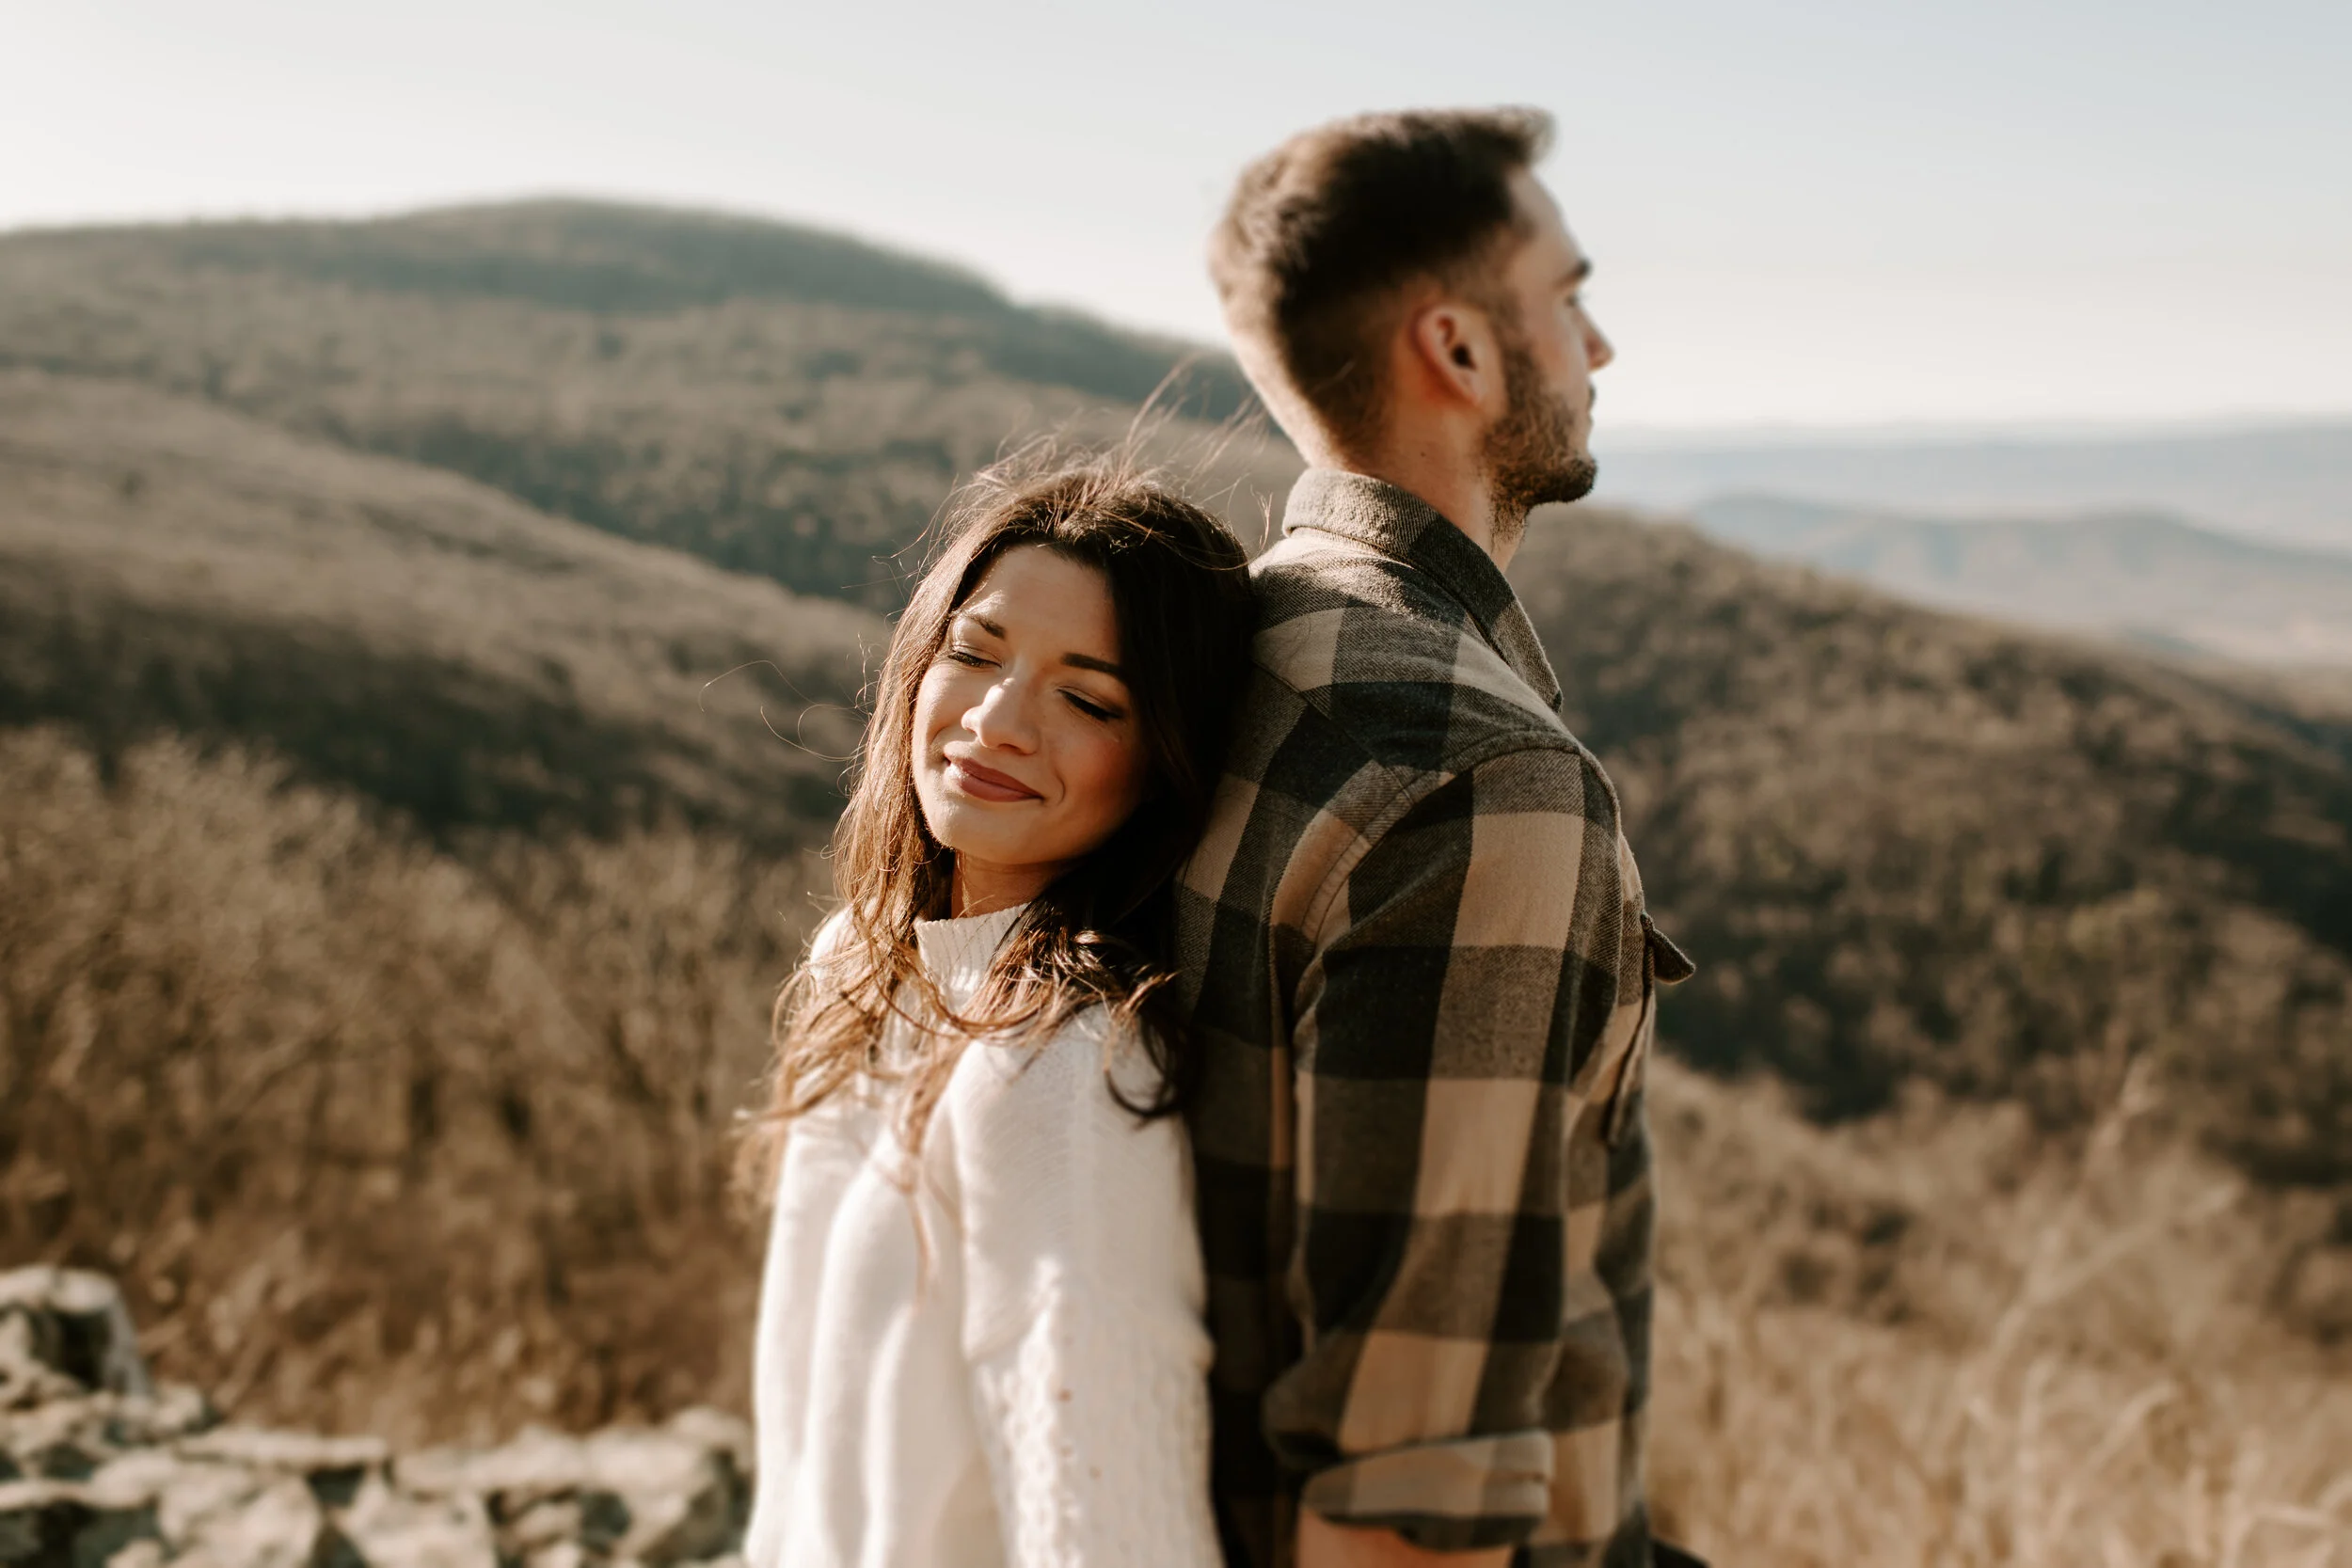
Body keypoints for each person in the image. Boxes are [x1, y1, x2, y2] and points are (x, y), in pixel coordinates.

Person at [1179, 108, 1698, 1568]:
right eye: (1571, 296)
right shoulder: (1484, 776)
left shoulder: (1229, 645)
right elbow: (1416, 1479)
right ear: (1461, 351)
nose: (1598, 349)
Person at [740, 456, 1256, 1567]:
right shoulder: (860, 963)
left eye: (1086, 697)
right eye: (972, 652)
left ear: (1166, 764)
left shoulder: (1062, 1069)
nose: (996, 719)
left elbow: (1115, 1536)